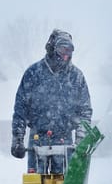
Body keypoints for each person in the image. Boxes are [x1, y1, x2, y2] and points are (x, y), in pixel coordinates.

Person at [11, 29, 92, 174]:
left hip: (65, 139)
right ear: (52, 48)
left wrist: (81, 139)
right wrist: (17, 139)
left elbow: (85, 111)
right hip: (37, 139)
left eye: (70, 50)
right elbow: (20, 108)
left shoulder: (76, 77)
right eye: (62, 49)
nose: (66, 54)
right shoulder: (33, 73)